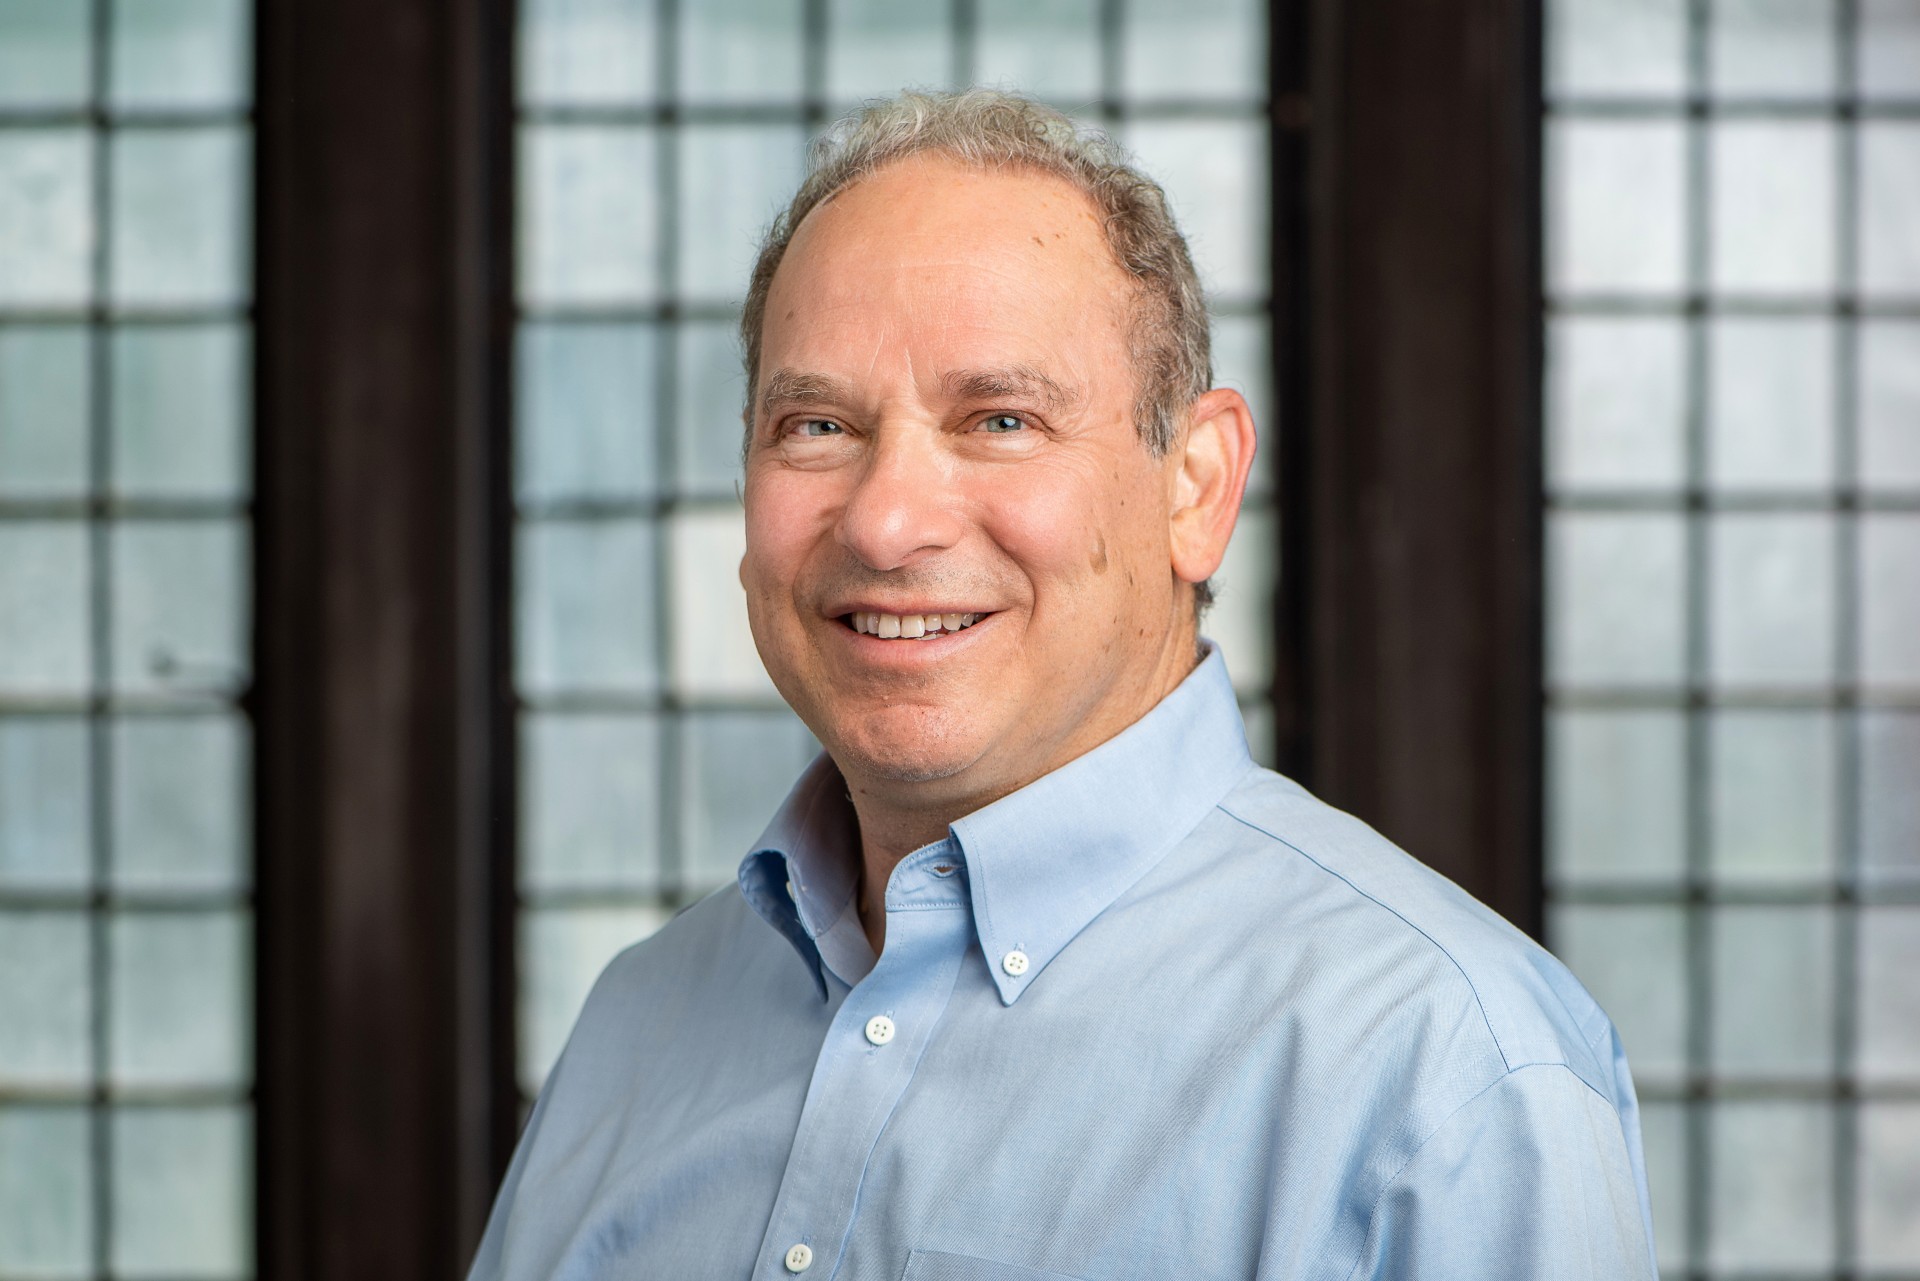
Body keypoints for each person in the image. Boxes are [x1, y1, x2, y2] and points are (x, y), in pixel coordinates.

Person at [469, 89, 1657, 1280]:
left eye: (1000, 419)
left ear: (1195, 486)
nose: (885, 522)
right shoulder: (638, 1024)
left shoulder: (1446, 1076)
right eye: (818, 426)